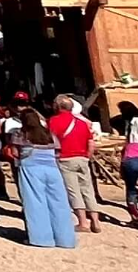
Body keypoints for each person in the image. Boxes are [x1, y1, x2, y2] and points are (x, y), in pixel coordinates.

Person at [12, 107, 76, 249]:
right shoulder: (49, 134)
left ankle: (41, 239)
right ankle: (65, 239)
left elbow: (15, 153)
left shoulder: (20, 134)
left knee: (35, 202)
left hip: (31, 168)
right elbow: (58, 151)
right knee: (59, 203)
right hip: (52, 169)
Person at [47, 95, 101, 235]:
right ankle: (95, 220)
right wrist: (87, 156)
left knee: (73, 191)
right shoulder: (82, 123)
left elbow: (51, 140)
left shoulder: (53, 121)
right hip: (82, 158)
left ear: (57, 106)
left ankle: (83, 222)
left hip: (66, 158)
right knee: (87, 190)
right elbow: (90, 142)